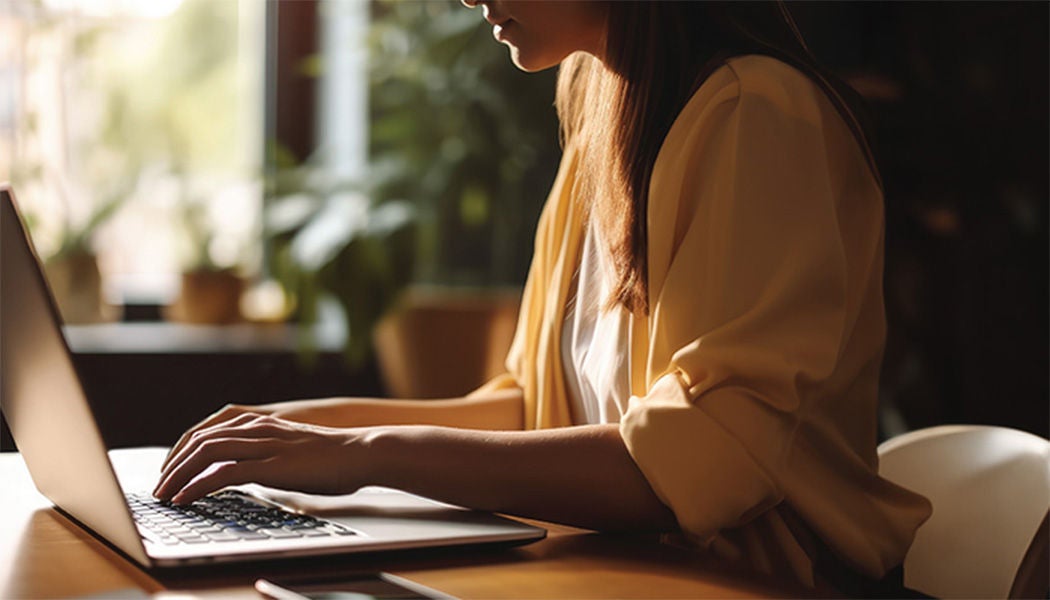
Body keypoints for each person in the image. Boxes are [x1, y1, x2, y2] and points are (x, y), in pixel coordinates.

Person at [155, 1, 931, 594]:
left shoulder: (755, 110)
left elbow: (697, 468)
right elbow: (530, 410)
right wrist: (292, 435)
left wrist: (365, 453)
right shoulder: (603, 104)